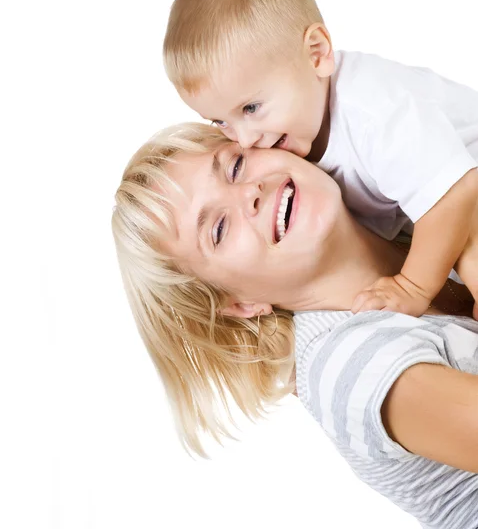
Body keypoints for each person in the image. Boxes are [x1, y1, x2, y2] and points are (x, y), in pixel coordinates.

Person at [112, 122, 478, 529]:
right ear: (240, 303)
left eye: (234, 166)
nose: (248, 193)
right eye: (218, 229)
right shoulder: (345, 366)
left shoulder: (420, 209)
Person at [163, 0, 478, 319]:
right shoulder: (300, 131)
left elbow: (455, 193)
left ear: (317, 53)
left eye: (251, 108)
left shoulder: (371, 109)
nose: (245, 139)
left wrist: (412, 287)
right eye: (221, 121)